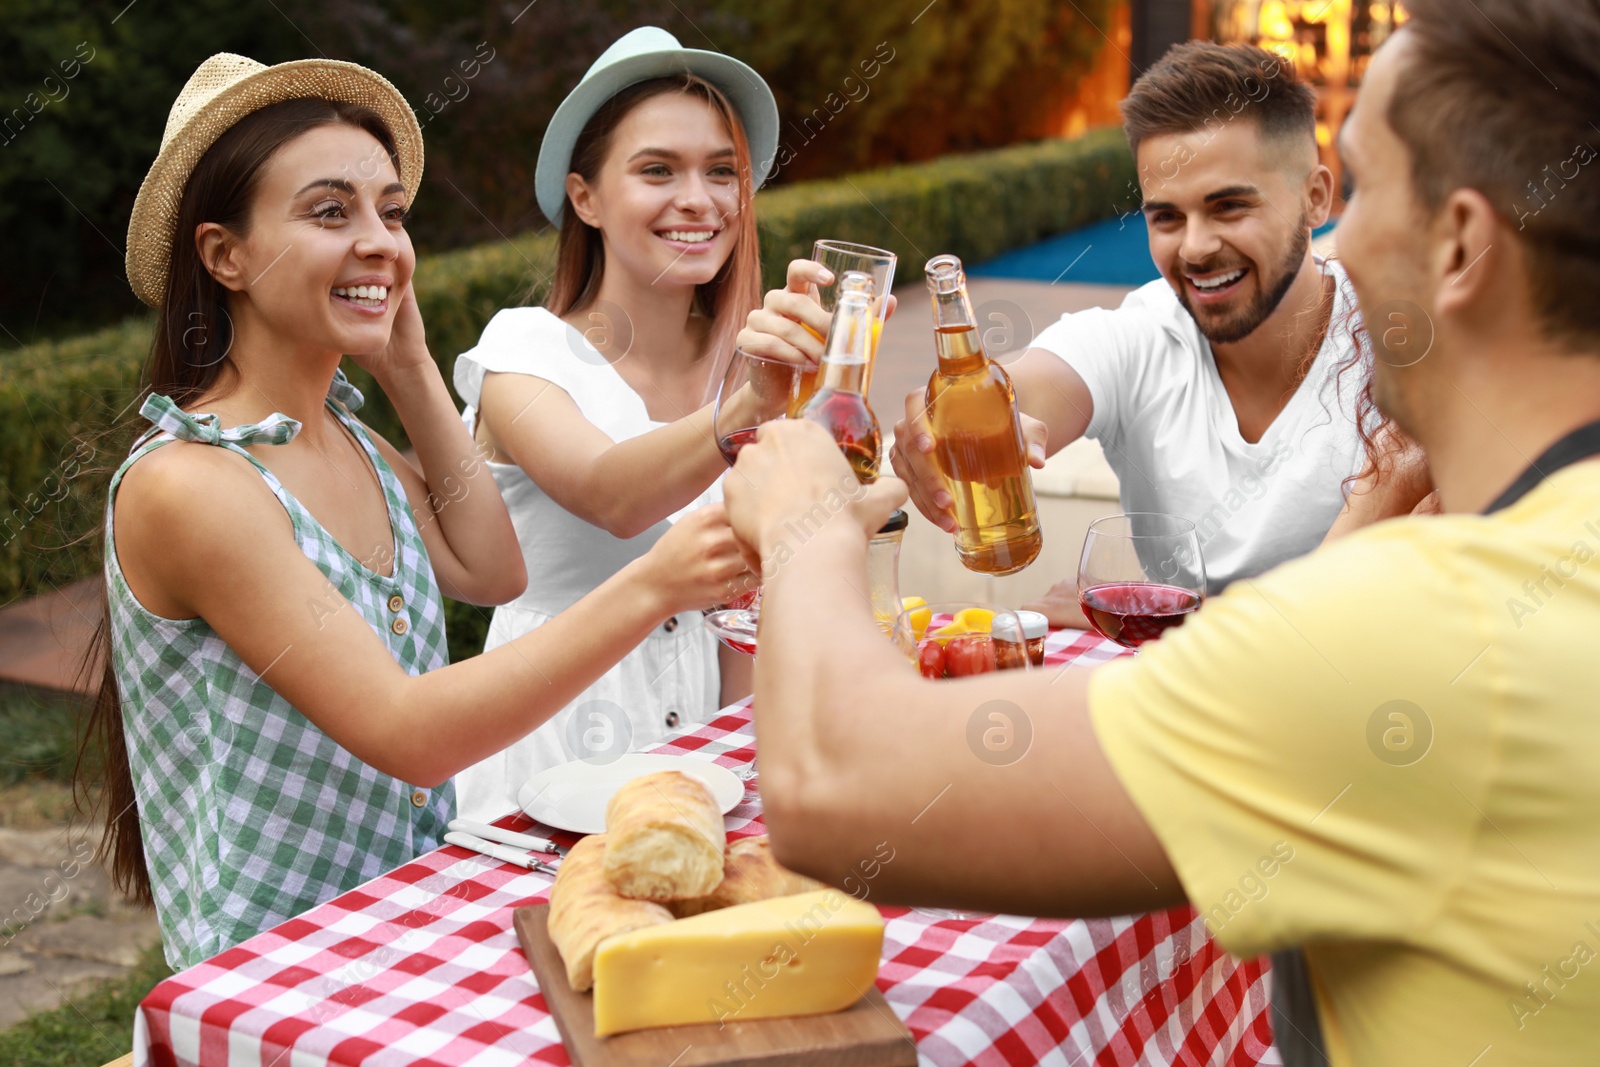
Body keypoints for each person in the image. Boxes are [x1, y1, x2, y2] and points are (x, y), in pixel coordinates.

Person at [723, 0, 1600, 1062]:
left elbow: (833, 790)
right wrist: (974, 427)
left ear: (1457, 241)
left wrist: (802, 518)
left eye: (1364, 190)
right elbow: (1023, 395)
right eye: (1165, 214)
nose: (1345, 242)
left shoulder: (1414, 633)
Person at [81, 53, 747, 969]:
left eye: (390, 213)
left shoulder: (347, 438)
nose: (383, 242)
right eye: (330, 211)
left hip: (403, 919)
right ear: (222, 254)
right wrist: (654, 586)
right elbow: (411, 732)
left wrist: (406, 364)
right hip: (276, 969)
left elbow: (491, 569)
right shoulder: (194, 483)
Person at [889, 41, 1431, 623]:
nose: (1195, 247)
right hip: (1179, 699)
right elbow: (1021, 395)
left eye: (1228, 208)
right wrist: (954, 426)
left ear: (1316, 198)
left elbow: (1401, 611)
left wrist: (1166, 623)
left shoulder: (1408, 342)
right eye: (1166, 216)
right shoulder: (1139, 336)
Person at [450, 28, 824, 822]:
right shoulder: (524, 347)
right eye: (658, 170)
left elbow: (747, 600)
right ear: (585, 198)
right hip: (549, 739)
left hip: (702, 752)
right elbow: (611, 492)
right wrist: (752, 407)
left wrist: (743, 766)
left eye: (722, 172)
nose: (700, 198)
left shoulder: (744, 361)